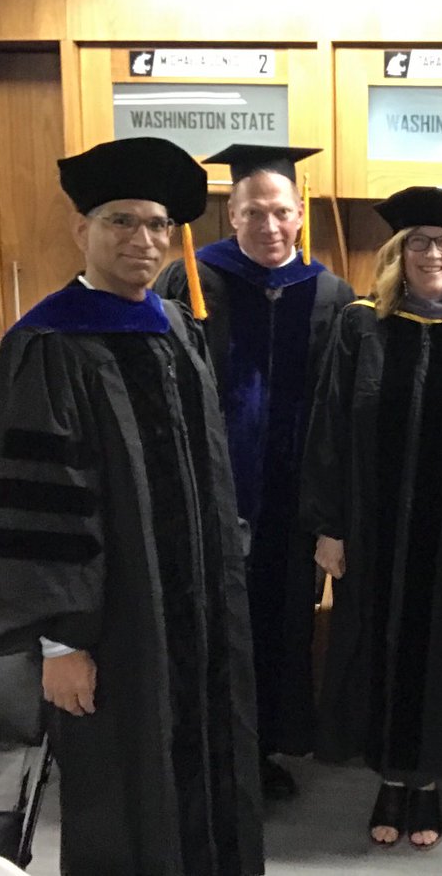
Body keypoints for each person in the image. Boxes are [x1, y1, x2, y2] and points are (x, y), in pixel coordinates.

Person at [0, 137, 264, 876]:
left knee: (211, 772)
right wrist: (60, 644)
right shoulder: (47, 343)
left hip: (196, 618)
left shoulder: (174, 331)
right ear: (82, 230)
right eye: (121, 222)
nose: (144, 241)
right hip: (115, 627)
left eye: (157, 225)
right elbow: (37, 509)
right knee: (125, 791)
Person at [299, 186, 442, 849]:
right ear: (400, 253)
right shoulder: (361, 325)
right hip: (372, 530)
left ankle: (425, 782)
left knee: (441, 655)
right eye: (419, 243)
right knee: (377, 645)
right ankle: (388, 775)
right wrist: (328, 526)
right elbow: (330, 429)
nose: (433, 255)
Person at [155, 143, 355, 799]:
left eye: (279, 212)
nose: (268, 227)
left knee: (280, 627)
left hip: (293, 503)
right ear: (230, 214)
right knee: (209, 625)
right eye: (251, 213)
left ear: (299, 214)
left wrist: (331, 517)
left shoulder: (329, 294)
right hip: (211, 496)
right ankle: (203, 751)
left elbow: (342, 412)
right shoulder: (192, 279)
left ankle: (262, 751)